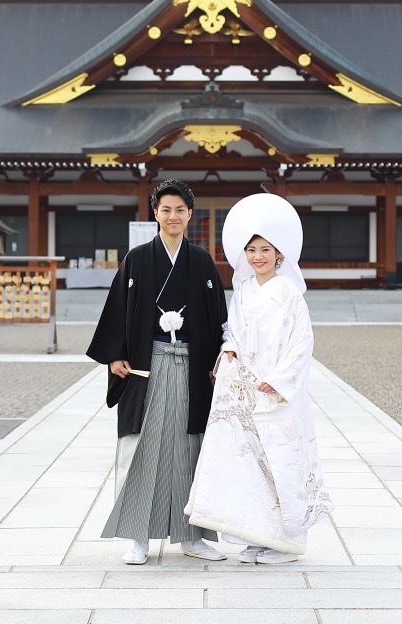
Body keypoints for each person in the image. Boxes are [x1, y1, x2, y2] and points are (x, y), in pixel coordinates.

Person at [184, 192, 333, 564]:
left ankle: (288, 543)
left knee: (280, 462)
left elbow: (302, 342)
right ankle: (259, 534)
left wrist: (280, 380)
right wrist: (229, 349)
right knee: (248, 463)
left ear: (279, 254)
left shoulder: (290, 293)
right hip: (246, 389)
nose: (258, 257)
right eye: (252, 251)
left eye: (265, 249)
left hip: (277, 394)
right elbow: (231, 330)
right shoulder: (245, 290)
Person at [87, 178, 229, 565]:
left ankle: (193, 536)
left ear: (189, 215)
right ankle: (138, 535)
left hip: (191, 363)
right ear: (155, 213)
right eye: (165, 209)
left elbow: (219, 317)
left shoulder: (201, 261)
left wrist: (219, 359)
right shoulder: (136, 258)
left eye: (180, 210)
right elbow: (117, 309)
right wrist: (115, 354)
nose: (173, 216)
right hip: (146, 364)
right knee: (144, 447)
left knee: (189, 448)